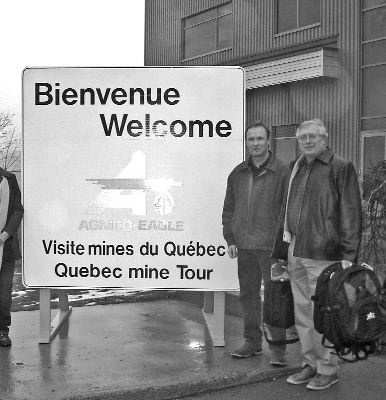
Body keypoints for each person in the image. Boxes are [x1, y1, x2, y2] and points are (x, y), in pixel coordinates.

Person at [272, 119, 362, 390]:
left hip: (324, 253)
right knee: (302, 313)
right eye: (303, 137)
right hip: (296, 249)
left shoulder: (340, 167)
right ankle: (310, 363)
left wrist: (349, 255)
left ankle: (327, 368)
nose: (308, 141)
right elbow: (285, 210)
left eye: (313, 136)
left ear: (325, 139)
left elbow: (351, 211)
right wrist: (280, 250)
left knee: (323, 313)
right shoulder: (295, 166)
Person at [222, 121, 288, 365]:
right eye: (251, 139)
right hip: (245, 247)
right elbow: (229, 209)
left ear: (268, 141)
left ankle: (279, 350)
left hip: (274, 249)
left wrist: (285, 243)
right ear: (246, 142)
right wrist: (230, 238)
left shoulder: (283, 172)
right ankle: (252, 342)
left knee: (277, 296)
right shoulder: (237, 173)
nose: (256, 143)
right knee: (248, 296)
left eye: (260, 139)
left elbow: (289, 211)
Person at [0, 168, 23, 347]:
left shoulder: (9, 179)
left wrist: (6, 233)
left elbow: (18, 209)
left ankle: (2, 331)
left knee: (3, 292)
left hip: (5, 246)